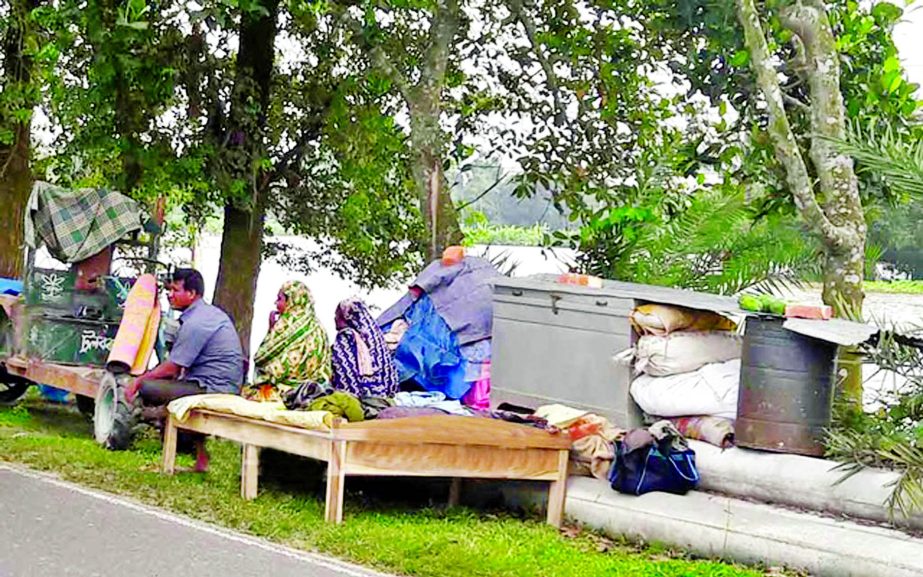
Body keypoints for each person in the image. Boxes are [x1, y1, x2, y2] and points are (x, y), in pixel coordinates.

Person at [125, 268, 244, 472]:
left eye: (176, 290)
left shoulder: (196, 322)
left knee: (146, 387)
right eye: (170, 290)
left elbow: (173, 367)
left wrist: (138, 380)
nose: (170, 295)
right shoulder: (208, 314)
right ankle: (200, 461)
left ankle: (153, 416)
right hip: (212, 383)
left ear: (191, 294)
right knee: (171, 386)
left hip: (213, 388)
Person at [252, 280, 331, 395]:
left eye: (279, 299)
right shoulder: (319, 327)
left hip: (285, 394)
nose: (276, 303)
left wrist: (271, 330)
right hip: (313, 393)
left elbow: (263, 359)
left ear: (291, 301)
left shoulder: (287, 323)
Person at [331, 298, 399, 398]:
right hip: (387, 396)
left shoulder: (346, 336)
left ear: (346, 317)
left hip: (360, 398)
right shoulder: (375, 339)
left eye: (337, 315)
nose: (335, 319)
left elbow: (344, 373)